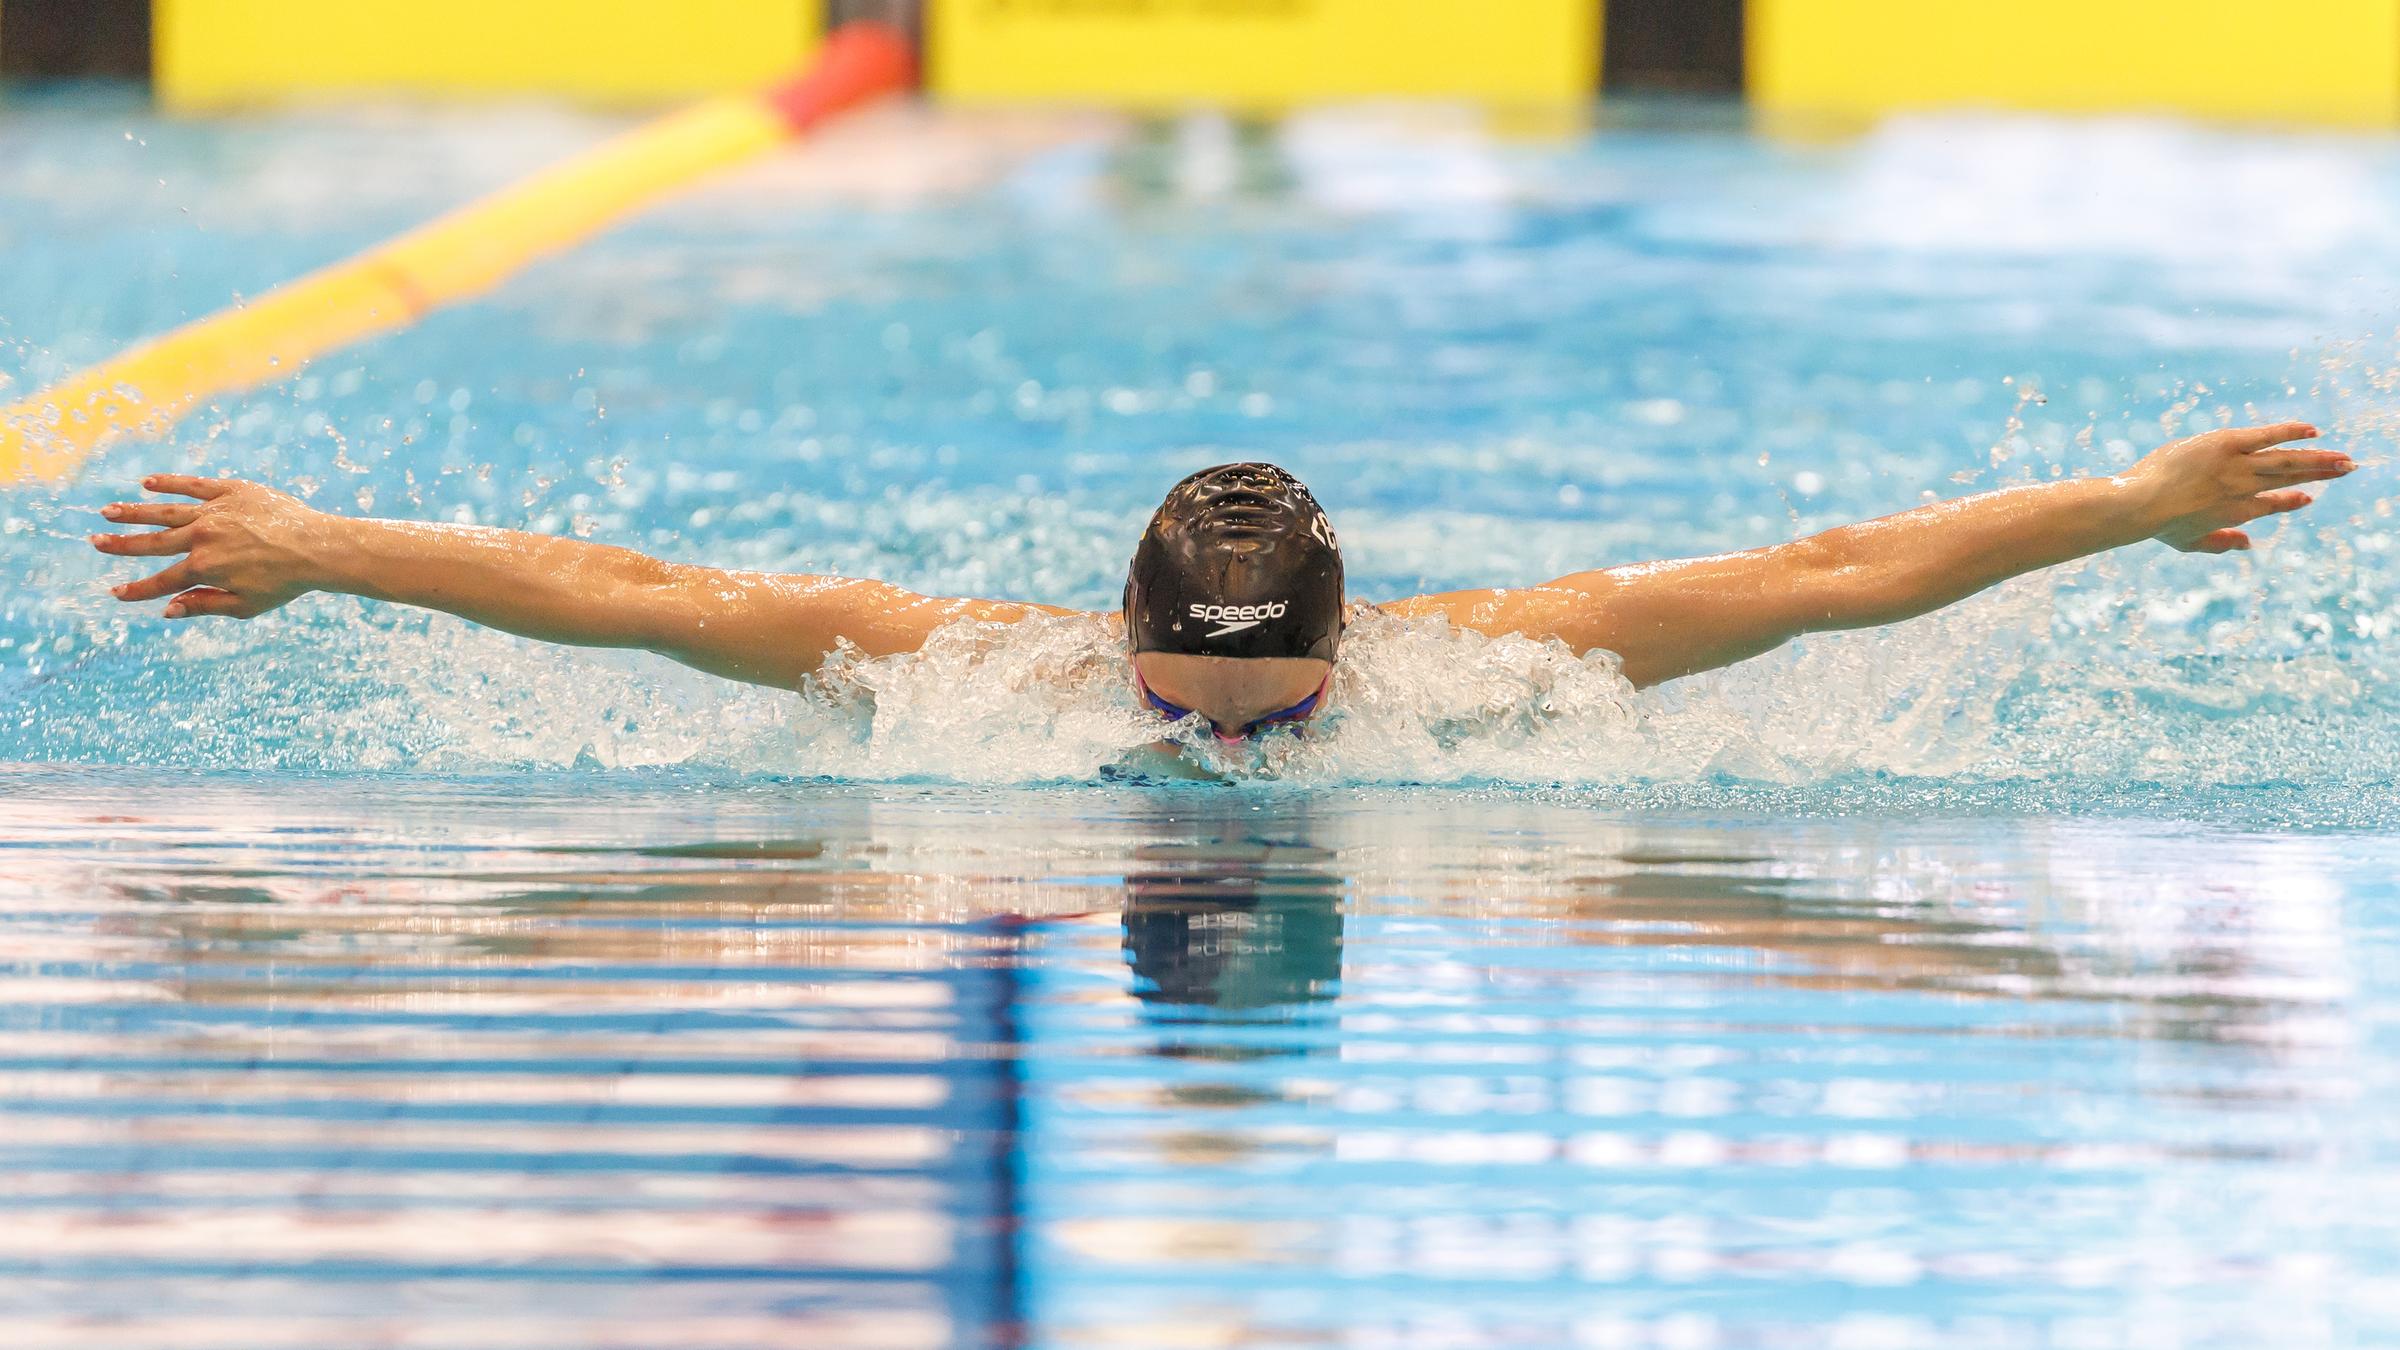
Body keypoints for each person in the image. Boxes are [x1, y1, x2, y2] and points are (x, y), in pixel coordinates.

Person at [85, 421, 2353, 746]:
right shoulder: (982, 676)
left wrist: (2127, 508)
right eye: (1182, 694)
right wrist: (320, 553)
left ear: (1355, 641)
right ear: (1120, 634)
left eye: (1249, 707)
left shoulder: (1502, 674)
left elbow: (1841, 570)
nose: (1216, 747)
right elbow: (636, 587)